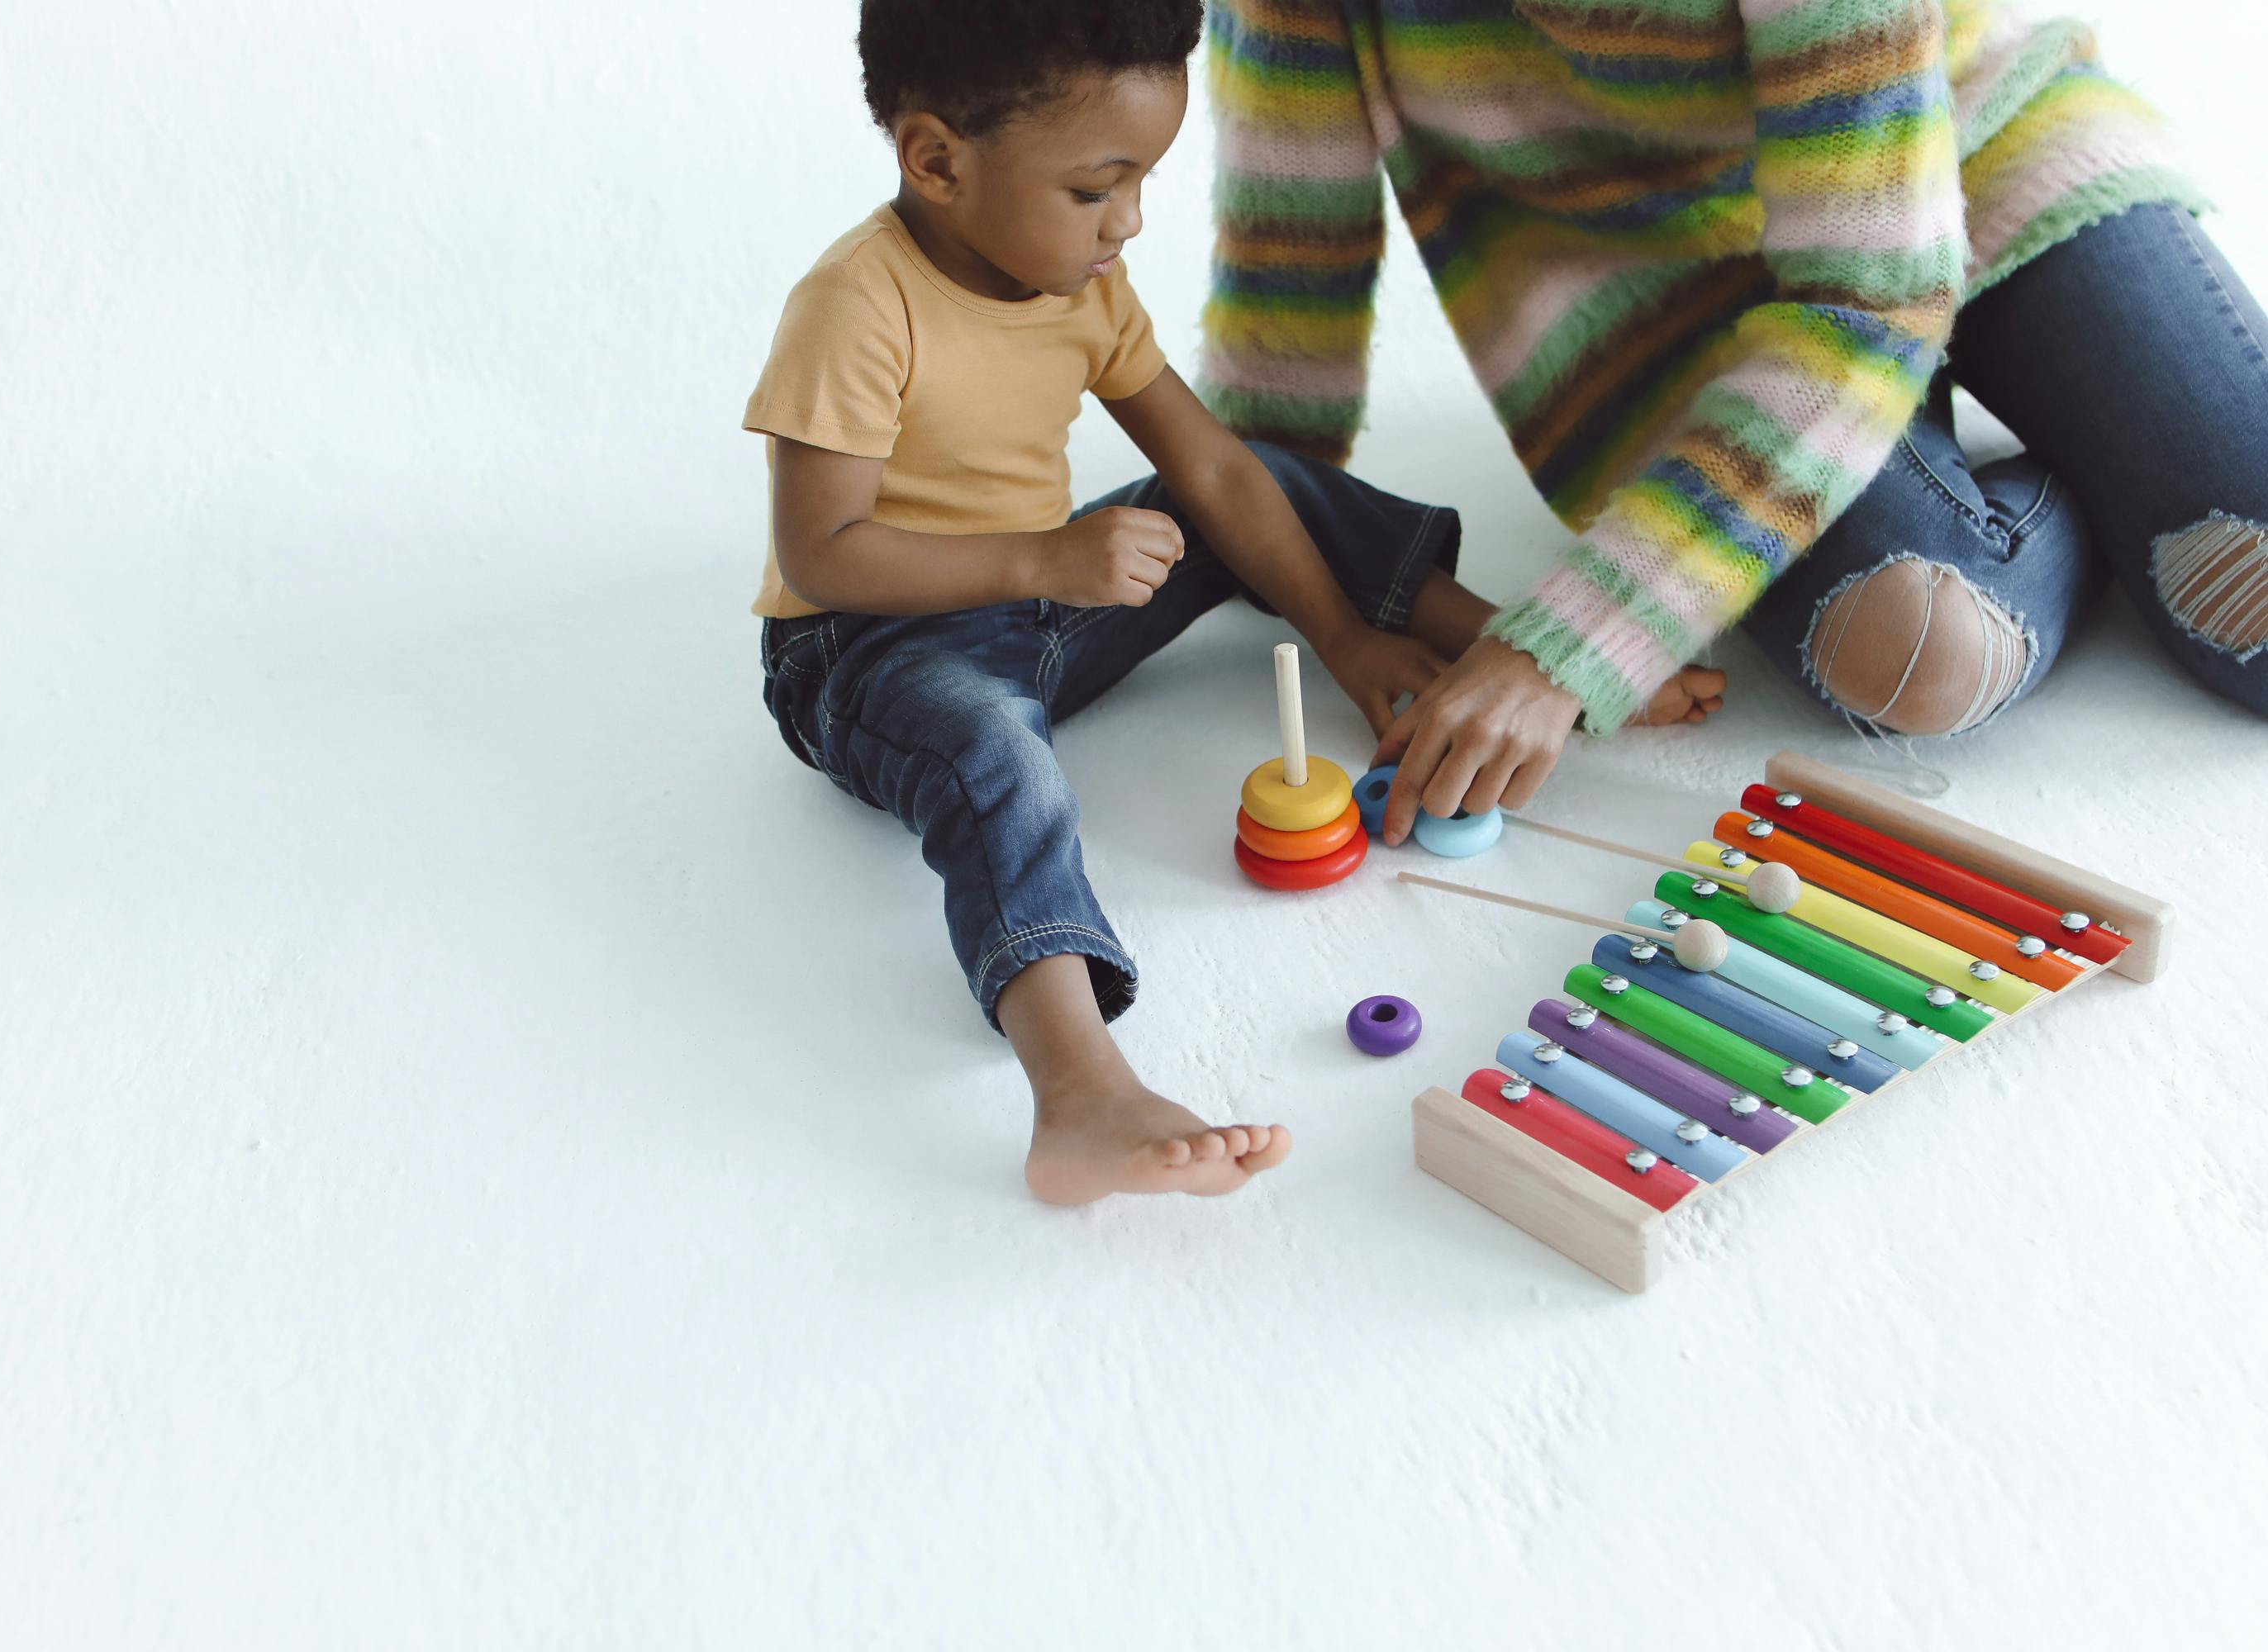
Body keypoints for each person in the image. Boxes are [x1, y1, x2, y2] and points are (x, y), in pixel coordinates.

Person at [746, 0, 1725, 1205]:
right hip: (866, 654)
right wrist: (1048, 562)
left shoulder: (1079, 284)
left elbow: (1210, 470)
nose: (1131, 222)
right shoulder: (856, 304)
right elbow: (824, 550)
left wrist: (1343, 639)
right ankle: (1079, 1090)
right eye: (1095, 189)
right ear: (938, 159)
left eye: (1146, 179)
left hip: (1044, 602)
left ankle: (1479, 638)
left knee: (1252, 475)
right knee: (992, 753)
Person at [1205, 0, 2266, 842]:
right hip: (1680, 318)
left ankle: (2087, 451)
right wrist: (1267, 527)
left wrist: (1558, 649)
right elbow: (1290, 262)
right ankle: (2077, 496)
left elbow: (1868, 295)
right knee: (1920, 650)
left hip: (1965, 152)